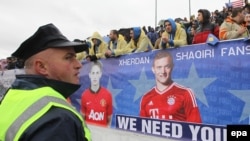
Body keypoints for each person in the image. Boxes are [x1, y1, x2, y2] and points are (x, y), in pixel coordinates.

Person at [0, 23, 91, 141]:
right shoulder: (58, 119)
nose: (79, 65)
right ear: (42, 67)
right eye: (68, 57)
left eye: (76, 57)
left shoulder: (14, 94)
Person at [139, 51, 202, 123]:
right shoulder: (145, 97)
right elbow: (142, 129)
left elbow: (195, 127)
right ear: (153, 69)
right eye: (159, 67)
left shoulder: (185, 93)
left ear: (172, 67)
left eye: (167, 67)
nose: (163, 71)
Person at [81, 60, 113, 127]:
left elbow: (109, 119)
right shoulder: (84, 95)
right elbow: (82, 119)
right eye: (93, 73)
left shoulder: (107, 94)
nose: (95, 76)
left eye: (97, 73)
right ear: (89, 75)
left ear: (100, 74)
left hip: (103, 134)